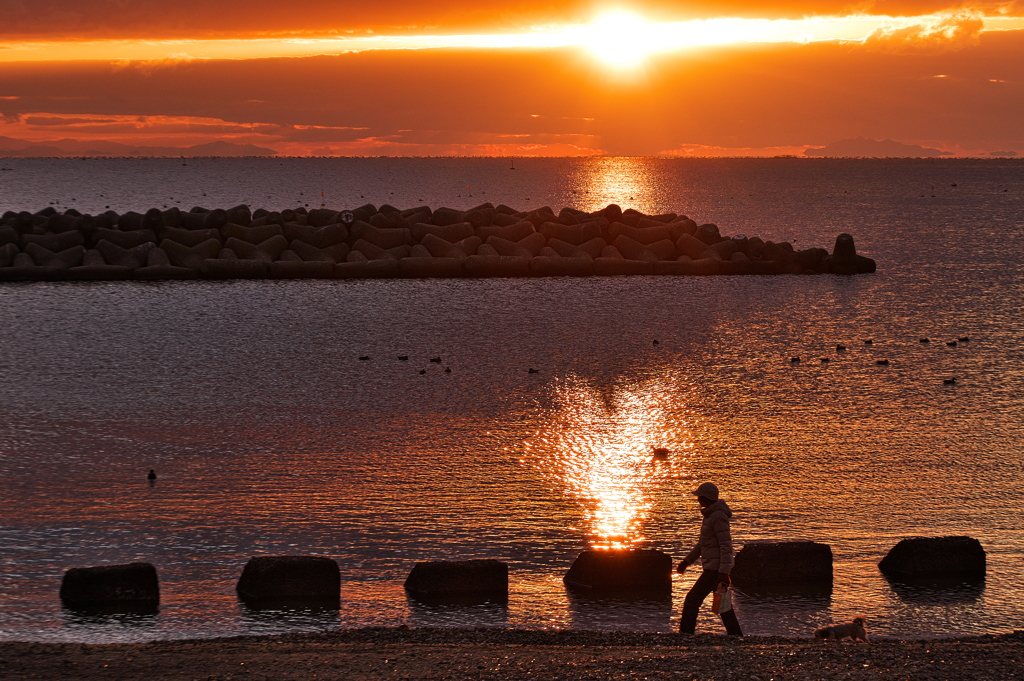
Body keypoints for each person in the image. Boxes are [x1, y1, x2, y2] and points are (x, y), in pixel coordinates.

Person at [677, 481, 742, 636]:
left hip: (715, 570)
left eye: (699, 497)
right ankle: (736, 636)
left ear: (706, 498)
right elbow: (702, 545)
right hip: (714, 569)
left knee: (692, 600)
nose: (698, 500)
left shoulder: (717, 516)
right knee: (724, 606)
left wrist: (724, 572)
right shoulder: (710, 515)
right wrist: (687, 562)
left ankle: (685, 634)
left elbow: (726, 546)